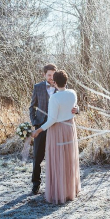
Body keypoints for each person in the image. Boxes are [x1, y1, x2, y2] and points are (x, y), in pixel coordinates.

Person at [32, 70, 81, 204]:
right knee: (68, 159)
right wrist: (76, 110)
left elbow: (52, 119)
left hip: (58, 130)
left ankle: (59, 192)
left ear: (55, 82)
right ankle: (70, 189)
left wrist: (39, 130)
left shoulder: (55, 98)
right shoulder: (73, 93)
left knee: (58, 159)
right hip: (70, 128)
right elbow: (73, 108)